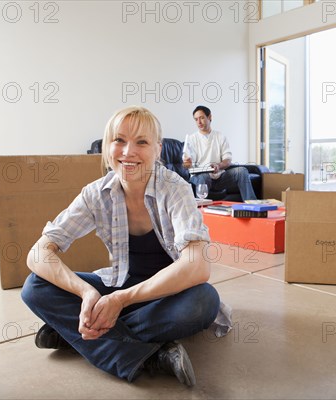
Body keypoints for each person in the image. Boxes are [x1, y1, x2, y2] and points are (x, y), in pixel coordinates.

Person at [21, 106, 220, 387]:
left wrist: (120, 301)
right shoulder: (95, 193)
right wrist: (87, 292)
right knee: (34, 286)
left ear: (158, 150)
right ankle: (148, 354)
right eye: (119, 140)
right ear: (107, 146)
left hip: (166, 294)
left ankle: (74, 334)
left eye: (142, 142)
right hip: (118, 283)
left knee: (203, 302)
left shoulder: (174, 188)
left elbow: (197, 266)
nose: (128, 152)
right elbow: (38, 253)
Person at [182, 105, 257, 201]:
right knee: (204, 177)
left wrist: (219, 165)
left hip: (219, 177)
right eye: (196, 119)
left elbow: (228, 160)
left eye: (201, 118)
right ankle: (201, 212)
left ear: (209, 117)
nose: (199, 122)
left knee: (242, 171)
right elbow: (187, 164)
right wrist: (187, 163)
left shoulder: (220, 136)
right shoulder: (191, 139)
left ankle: (252, 204)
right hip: (200, 178)